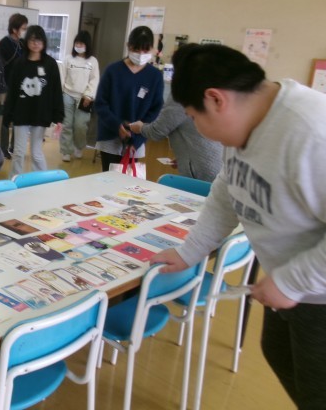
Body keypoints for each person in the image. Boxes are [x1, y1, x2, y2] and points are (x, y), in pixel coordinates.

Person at [152, 43, 326, 409]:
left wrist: (292, 281)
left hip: (318, 291)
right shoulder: (245, 125)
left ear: (216, 99)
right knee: (278, 353)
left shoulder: (311, 131)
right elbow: (226, 192)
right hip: (294, 284)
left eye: (193, 117)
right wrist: (189, 252)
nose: (197, 128)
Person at [94, 25, 164, 172]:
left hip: (137, 137)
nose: (140, 54)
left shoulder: (155, 76)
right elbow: (100, 104)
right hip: (110, 135)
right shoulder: (112, 70)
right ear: (128, 46)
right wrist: (117, 125)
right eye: (136, 49)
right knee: (108, 178)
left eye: (145, 50)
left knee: (128, 180)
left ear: (152, 49)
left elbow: (155, 109)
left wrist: (137, 139)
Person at [3, 25, 64, 178]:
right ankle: (14, 181)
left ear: (44, 42)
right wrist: (7, 115)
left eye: (39, 40)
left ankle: (42, 181)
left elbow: (56, 91)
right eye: (32, 40)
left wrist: (58, 116)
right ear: (27, 42)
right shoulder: (19, 63)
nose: (36, 44)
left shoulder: (50, 64)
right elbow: (13, 91)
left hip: (41, 113)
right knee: (19, 152)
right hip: (21, 113)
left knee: (36, 153)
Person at [127, 94, 223, 182]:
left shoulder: (181, 95)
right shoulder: (205, 94)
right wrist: (184, 157)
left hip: (201, 169)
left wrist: (140, 127)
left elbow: (157, 131)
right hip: (215, 163)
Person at [59, 30, 100, 162]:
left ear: (87, 45)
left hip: (84, 98)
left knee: (81, 125)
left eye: (81, 43)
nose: (78, 46)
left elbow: (94, 80)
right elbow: (62, 77)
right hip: (67, 94)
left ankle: (79, 146)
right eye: (77, 43)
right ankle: (66, 150)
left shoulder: (93, 61)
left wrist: (89, 95)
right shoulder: (68, 59)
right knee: (67, 124)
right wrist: (60, 93)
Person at [0, 13, 29, 159]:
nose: (25, 30)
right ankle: (3, 147)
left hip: (22, 87)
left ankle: (14, 146)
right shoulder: (4, 43)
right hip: (7, 86)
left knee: (18, 118)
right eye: (23, 28)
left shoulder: (23, 44)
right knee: (5, 118)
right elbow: (0, 67)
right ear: (15, 29)